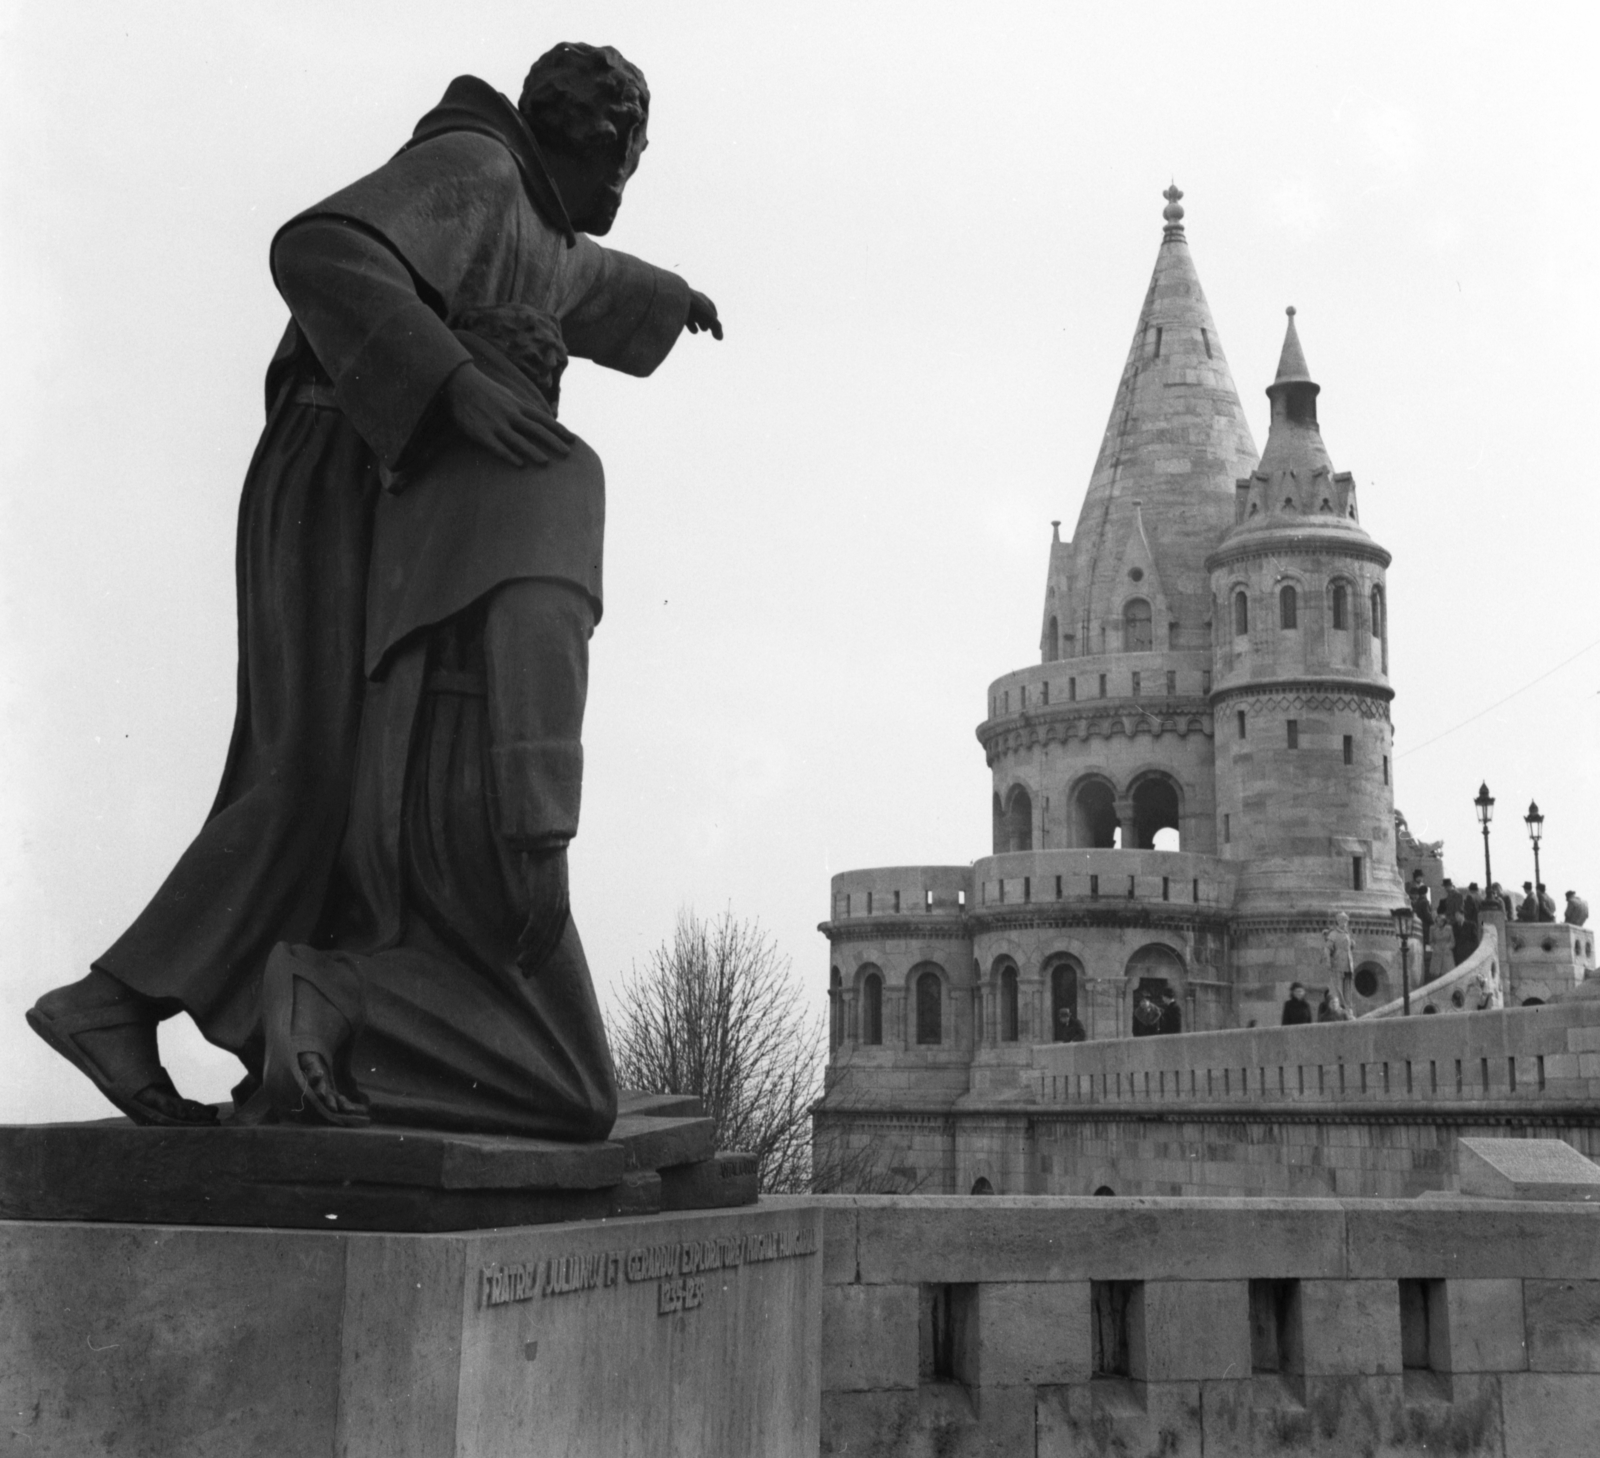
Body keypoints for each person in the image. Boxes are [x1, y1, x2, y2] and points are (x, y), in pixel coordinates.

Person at [27, 44, 722, 1137]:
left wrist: (669, 299)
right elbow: (320, 247)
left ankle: (234, 1017)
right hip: (336, 463)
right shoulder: (479, 169)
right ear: (582, 144)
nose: (616, 201)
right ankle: (116, 1005)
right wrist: (449, 385)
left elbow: (574, 277)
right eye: (621, 169)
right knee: (307, 762)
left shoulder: (531, 217)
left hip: (399, 490)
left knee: (340, 778)